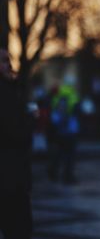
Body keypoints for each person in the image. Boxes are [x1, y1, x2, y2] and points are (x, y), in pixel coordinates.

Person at [0, 49, 32, 238]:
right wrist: (29, 120)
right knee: (19, 229)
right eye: (4, 61)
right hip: (9, 177)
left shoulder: (11, 90)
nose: (9, 64)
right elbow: (15, 132)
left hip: (11, 175)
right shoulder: (5, 93)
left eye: (9, 59)